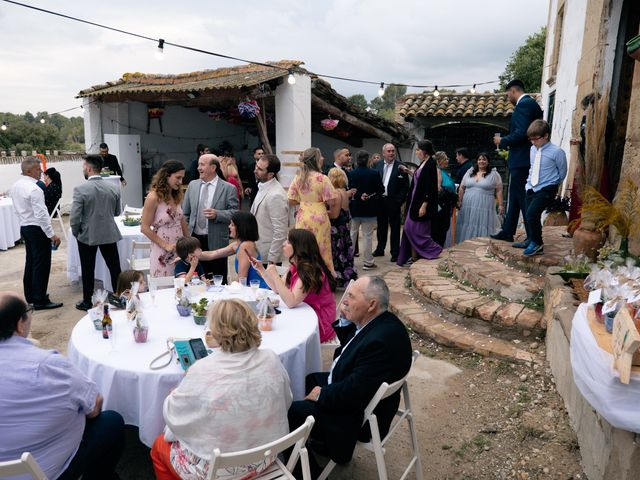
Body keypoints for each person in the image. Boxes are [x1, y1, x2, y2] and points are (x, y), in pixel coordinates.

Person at [150, 299, 292, 480]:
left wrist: (178, 393)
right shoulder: (271, 358)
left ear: (216, 331)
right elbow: (286, 400)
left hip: (217, 471)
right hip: (263, 458)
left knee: (158, 446)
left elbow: (173, 417)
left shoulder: (202, 369)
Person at [286, 276, 412, 467]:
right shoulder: (381, 321)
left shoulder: (379, 343)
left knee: (291, 412)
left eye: (351, 296)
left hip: (355, 417)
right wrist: (345, 320)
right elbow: (353, 350)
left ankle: (308, 471)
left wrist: (322, 394)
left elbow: (353, 392)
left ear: (371, 304)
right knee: (310, 379)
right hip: (360, 394)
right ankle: (327, 444)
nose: (344, 301)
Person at [0, 291, 125, 480]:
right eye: (29, 310)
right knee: (111, 421)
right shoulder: (48, 365)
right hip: (48, 472)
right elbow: (94, 407)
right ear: (19, 324)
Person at [253, 229, 337, 343]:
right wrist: (261, 270)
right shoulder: (296, 265)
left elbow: (291, 302)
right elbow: (278, 289)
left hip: (319, 321)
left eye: (288, 241)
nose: (284, 243)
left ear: (298, 247)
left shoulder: (309, 270)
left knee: (279, 330)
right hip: (304, 312)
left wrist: (275, 275)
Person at [491, 79, 543, 242]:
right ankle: (508, 231)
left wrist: (503, 141)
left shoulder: (523, 105)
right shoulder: (532, 104)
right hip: (524, 158)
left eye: (508, 94)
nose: (508, 98)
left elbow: (522, 132)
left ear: (513, 91)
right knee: (514, 196)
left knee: (522, 197)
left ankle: (533, 236)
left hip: (521, 159)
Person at [71, 155, 123, 311]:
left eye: (83, 167)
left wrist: (77, 232)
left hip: (88, 234)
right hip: (109, 232)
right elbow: (116, 212)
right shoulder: (114, 188)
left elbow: (74, 217)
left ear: (88, 168)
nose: (83, 169)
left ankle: (87, 301)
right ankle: (119, 297)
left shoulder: (80, 189)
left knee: (88, 268)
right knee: (115, 267)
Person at [10, 158, 62, 310]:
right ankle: (40, 299)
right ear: (28, 171)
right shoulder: (35, 189)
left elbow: (16, 209)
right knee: (42, 264)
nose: (41, 172)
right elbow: (41, 215)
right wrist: (52, 234)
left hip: (25, 227)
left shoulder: (16, 186)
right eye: (38, 169)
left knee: (31, 262)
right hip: (37, 229)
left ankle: (31, 295)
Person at [512, 119, 567, 256]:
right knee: (528, 214)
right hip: (532, 186)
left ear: (546, 136)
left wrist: (553, 184)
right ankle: (530, 238)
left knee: (532, 214)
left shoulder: (557, 152)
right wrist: (528, 184)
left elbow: (562, 172)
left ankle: (538, 243)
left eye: (536, 139)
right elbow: (533, 167)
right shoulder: (532, 149)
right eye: (531, 139)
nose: (533, 142)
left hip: (547, 187)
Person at [183, 154, 238, 284]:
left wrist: (217, 214)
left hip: (217, 241)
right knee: (197, 280)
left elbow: (235, 213)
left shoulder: (228, 188)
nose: (198, 168)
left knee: (217, 280)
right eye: (198, 164)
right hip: (194, 240)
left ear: (213, 167)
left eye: (202, 164)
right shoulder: (192, 185)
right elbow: (185, 214)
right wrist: (185, 237)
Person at [287, 147, 339, 274]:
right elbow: (332, 201)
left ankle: (302, 276)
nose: (322, 158)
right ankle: (322, 278)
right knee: (322, 249)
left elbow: (291, 200)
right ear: (316, 160)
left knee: (302, 248)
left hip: (303, 215)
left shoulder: (298, 178)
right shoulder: (322, 178)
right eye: (320, 156)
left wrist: (304, 202)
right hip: (319, 216)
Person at [192, 211, 269, 288]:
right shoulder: (238, 244)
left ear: (241, 227)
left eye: (232, 224)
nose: (229, 226)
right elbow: (213, 254)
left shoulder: (246, 246)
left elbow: (242, 280)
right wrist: (189, 255)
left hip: (257, 290)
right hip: (249, 288)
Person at [141, 160, 190, 278]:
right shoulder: (153, 197)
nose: (180, 182)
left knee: (181, 285)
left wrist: (189, 244)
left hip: (180, 249)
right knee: (163, 287)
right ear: (166, 175)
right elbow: (144, 227)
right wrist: (165, 245)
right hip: (162, 250)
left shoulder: (176, 195)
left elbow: (181, 220)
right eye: (178, 177)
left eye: (182, 178)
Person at [397, 139, 442, 266]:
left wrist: (424, 205)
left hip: (421, 204)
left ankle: (434, 250)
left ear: (425, 152)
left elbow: (430, 186)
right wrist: (409, 171)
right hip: (414, 201)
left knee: (417, 231)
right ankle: (414, 256)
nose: (416, 152)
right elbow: (420, 179)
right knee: (408, 229)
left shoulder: (431, 164)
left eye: (418, 150)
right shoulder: (423, 163)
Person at [373, 143, 410, 263]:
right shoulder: (377, 165)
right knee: (381, 226)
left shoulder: (401, 166)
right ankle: (380, 249)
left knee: (394, 228)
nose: (391, 153)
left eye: (393, 151)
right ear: (383, 153)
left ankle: (395, 252)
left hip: (394, 201)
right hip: (380, 200)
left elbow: (405, 186)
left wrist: (399, 200)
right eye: (388, 151)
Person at [250, 153, 289, 266]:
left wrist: (273, 259)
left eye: (260, 169)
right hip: (257, 252)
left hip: (268, 258)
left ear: (271, 174)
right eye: (256, 166)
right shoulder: (263, 185)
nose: (255, 170)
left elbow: (280, 231)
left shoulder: (276, 195)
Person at [456, 153, 504, 243]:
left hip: (484, 205)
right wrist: (459, 200)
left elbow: (499, 190)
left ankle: (481, 243)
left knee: (481, 223)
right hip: (468, 204)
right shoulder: (470, 172)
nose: (481, 161)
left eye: (484, 159)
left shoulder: (494, 174)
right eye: (479, 159)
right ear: (477, 161)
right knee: (467, 222)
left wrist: (501, 205)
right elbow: (462, 187)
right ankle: (465, 242)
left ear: (488, 162)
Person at [349, 150, 385, 270]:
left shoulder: (351, 173)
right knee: (368, 236)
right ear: (368, 160)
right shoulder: (374, 173)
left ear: (356, 160)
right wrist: (370, 194)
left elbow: (350, 189)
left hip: (355, 208)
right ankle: (368, 262)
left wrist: (359, 194)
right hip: (370, 208)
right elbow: (381, 189)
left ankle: (349, 261)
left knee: (352, 234)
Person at [328, 167, 358, 288]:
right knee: (345, 254)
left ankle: (337, 279)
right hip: (343, 229)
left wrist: (319, 211)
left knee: (336, 254)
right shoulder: (343, 192)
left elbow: (334, 214)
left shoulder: (335, 193)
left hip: (336, 230)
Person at [432, 151, 457, 247]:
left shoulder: (444, 172)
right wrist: (452, 195)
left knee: (443, 230)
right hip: (440, 207)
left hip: (446, 206)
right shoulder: (437, 172)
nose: (447, 161)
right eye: (445, 159)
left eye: (447, 159)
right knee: (439, 231)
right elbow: (438, 189)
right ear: (439, 161)